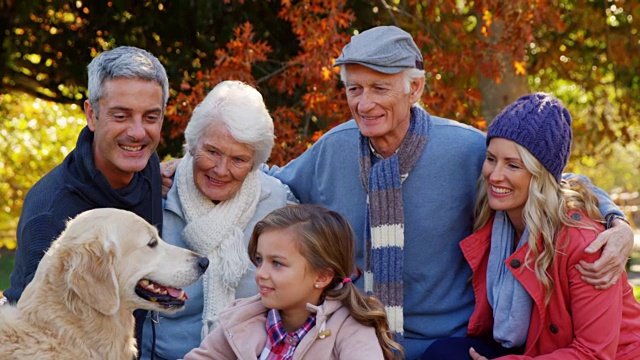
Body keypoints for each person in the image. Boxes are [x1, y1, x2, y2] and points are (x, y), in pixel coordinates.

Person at [161, 26, 634, 359]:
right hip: (352, 336)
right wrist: (189, 164)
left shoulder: (467, 149)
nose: (363, 104)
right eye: (353, 89)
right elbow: (270, 178)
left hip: (446, 344)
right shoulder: (334, 149)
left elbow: (547, 176)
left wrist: (617, 222)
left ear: (415, 88)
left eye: (380, 88)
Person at [422, 93, 640, 360]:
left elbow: (594, 353)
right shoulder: (495, 220)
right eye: (491, 159)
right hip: (537, 348)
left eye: (513, 165)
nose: (495, 175)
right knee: (442, 354)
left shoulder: (587, 245)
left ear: (540, 176)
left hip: (612, 355)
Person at [5, 46, 168, 355]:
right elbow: (44, 335)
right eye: (120, 116)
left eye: (150, 117)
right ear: (92, 115)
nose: (137, 132)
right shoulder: (50, 214)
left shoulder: (147, 166)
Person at [140, 80, 296, 360]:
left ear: (255, 164)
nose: (221, 170)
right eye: (212, 151)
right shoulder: (155, 195)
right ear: (192, 144)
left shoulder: (278, 203)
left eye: (239, 159)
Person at [184, 204, 402, 359]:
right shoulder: (242, 318)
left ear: (322, 276)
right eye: (259, 260)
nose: (261, 273)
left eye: (277, 263)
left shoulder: (351, 329)